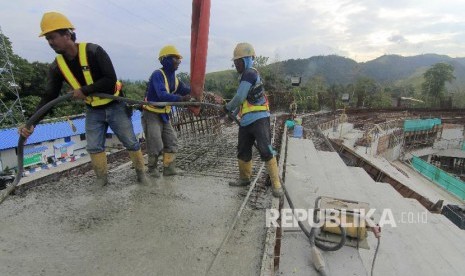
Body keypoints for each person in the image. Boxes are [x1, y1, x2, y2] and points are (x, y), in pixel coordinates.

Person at [19, 11, 150, 187]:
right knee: (94, 147)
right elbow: (49, 97)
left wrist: (85, 90)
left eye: (53, 37)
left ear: (67, 35)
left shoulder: (94, 51)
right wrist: (31, 122)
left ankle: (141, 175)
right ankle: (102, 181)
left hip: (115, 105)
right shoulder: (57, 66)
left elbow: (110, 80)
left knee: (130, 141)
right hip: (93, 110)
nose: (50, 42)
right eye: (47, 39)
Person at [223, 42, 284, 197]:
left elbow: (239, 97)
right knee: (243, 150)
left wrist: (227, 108)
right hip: (246, 121)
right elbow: (243, 101)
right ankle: (244, 178)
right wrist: (233, 114)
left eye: (238, 61)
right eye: (235, 62)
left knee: (266, 149)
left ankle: (276, 184)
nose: (236, 64)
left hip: (260, 119)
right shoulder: (244, 77)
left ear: (247, 60)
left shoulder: (250, 73)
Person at [142, 45, 191, 177]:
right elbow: (162, 95)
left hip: (164, 114)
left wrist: (195, 91)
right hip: (151, 114)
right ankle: (152, 169)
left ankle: (169, 169)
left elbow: (186, 90)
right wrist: (181, 99)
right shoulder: (157, 75)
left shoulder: (174, 79)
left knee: (171, 141)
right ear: (166, 60)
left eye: (179, 59)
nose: (179, 62)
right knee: (155, 143)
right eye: (176, 58)